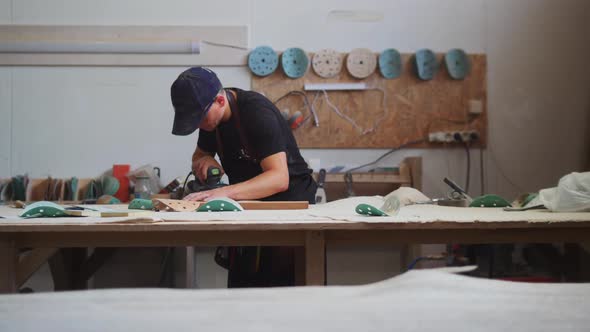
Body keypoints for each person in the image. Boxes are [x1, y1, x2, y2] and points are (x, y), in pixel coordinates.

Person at [170, 66, 317, 287]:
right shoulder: (210, 119)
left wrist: (223, 193)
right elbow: (200, 153)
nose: (198, 124)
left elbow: (278, 178)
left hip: (289, 208)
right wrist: (204, 161)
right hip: (249, 208)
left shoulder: (256, 113)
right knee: (242, 287)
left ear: (220, 101)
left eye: (198, 117)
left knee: (279, 291)